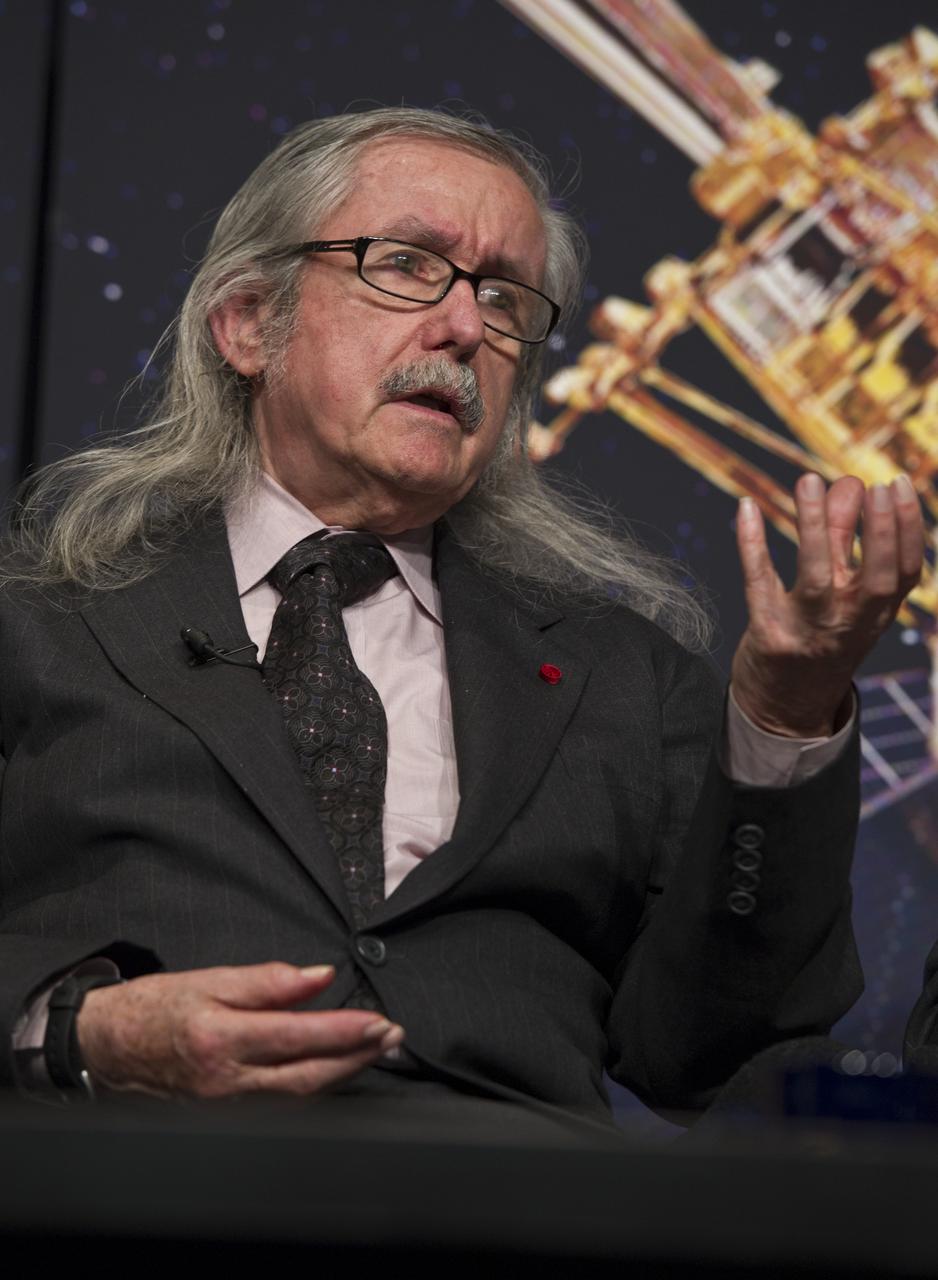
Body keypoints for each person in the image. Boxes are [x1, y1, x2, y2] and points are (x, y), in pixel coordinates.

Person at [0, 108, 924, 1130]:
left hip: (511, 1213)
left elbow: (721, 1043)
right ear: (249, 322)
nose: (462, 327)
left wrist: (784, 713)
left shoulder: (619, 676)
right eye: (403, 264)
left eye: (503, 298)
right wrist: (78, 1029)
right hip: (132, 1188)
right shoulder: (44, 623)